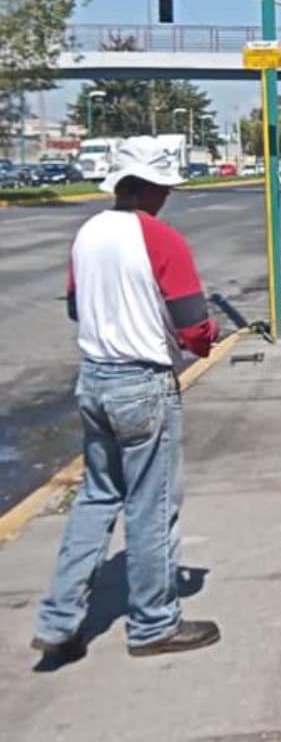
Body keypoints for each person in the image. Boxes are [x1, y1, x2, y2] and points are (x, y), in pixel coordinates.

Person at [32, 136, 221, 663]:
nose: (166, 197)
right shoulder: (161, 239)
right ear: (145, 188)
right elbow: (194, 329)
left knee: (97, 498)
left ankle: (59, 620)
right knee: (151, 507)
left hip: (94, 379)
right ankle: (154, 624)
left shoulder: (87, 235)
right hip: (143, 385)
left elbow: (76, 307)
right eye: (162, 188)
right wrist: (210, 336)